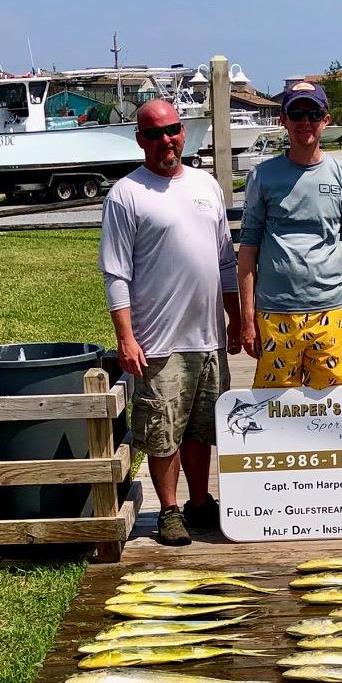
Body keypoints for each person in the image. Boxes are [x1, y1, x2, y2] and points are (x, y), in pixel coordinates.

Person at [99, 97, 241, 546]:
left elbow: (225, 261)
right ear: (140, 139)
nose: (166, 140)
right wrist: (126, 338)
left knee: (202, 429)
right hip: (158, 341)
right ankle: (170, 509)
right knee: (163, 434)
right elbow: (116, 272)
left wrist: (236, 319)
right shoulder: (126, 193)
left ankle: (201, 501)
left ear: (183, 132)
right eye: (154, 133)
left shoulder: (207, 185)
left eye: (172, 130)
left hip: (209, 338)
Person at [238, 80, 342, 389]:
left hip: (330, 310)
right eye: (296, 114)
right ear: (283, 120)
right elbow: (248, 250)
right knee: (273, 413)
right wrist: (246, 320)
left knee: (335, 410)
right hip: (274, 313)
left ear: (326, 120)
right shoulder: (262, 176)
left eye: (313, 113)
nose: (304, 122)